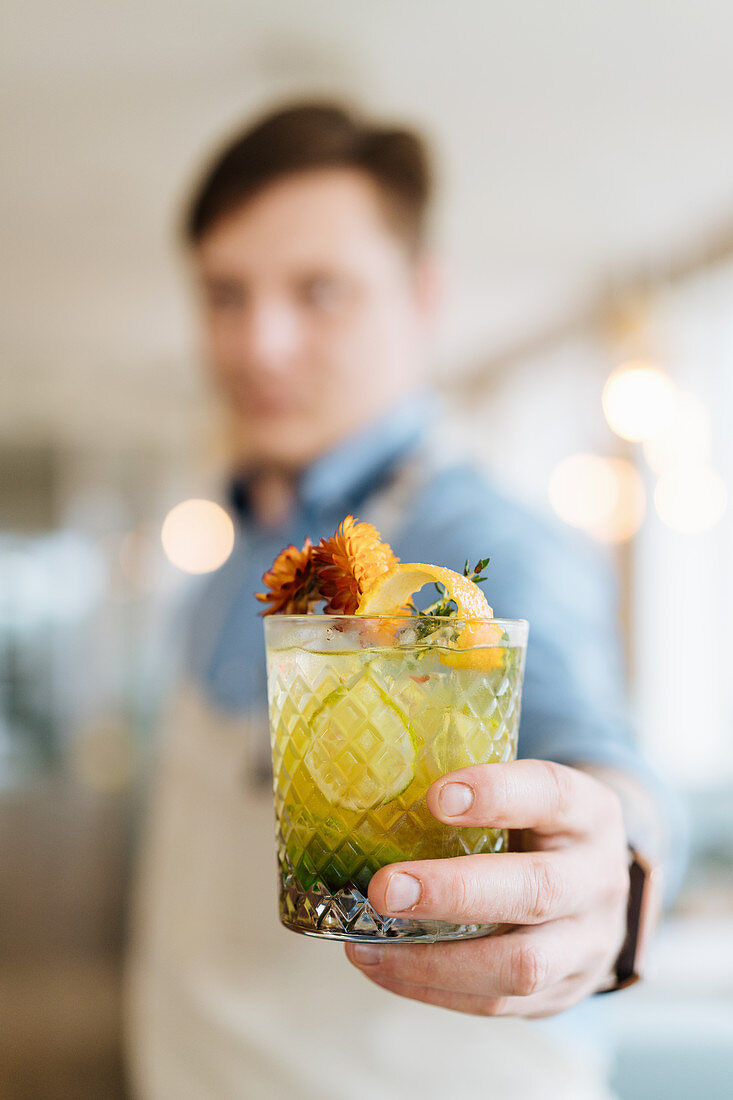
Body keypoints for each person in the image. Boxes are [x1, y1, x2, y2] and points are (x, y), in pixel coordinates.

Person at [126, 102, 679, 1100]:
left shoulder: (481, 549)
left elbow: (601, 766)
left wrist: (613, 883)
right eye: (225, 294)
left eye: (318, 291)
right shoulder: (233, 549)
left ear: (421, 295)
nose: (261, 342)